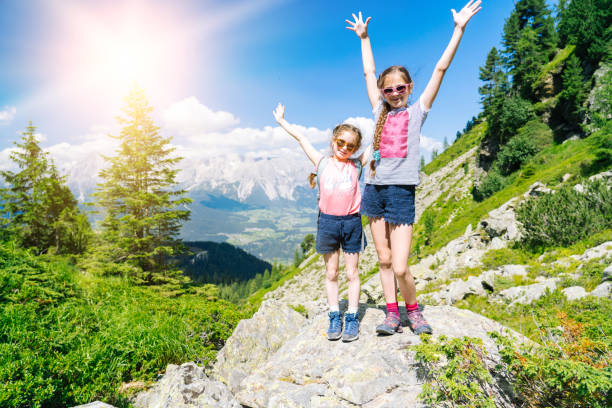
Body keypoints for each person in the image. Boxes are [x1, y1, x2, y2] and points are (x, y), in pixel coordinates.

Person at [346, 0, 482, 335]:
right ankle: (392, 314)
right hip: (374, 191)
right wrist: (364, 38)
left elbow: (440, 70)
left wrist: (459, 30)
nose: (393, 92)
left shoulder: (417, 111)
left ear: (410, 88)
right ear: (383, 91)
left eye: (400, 88)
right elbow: (367, 72)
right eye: (388, 89)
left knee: (402, 265)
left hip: (402, 193)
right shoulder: (379, 110)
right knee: (384, 259)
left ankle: (413, 311)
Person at [273, 103, 370, 342]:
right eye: (341, 143)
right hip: (327, 222)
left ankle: (352, 317)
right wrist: (282, 121)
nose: (345, 148)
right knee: (331, 272)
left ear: (356, 148)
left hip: (351, 223)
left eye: (351, 145)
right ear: (333, 141)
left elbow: (378, 140)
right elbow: (302, 139)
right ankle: (334, 314)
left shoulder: (356, 165)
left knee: (352, 273)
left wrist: (388, 113)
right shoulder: (322, 162)